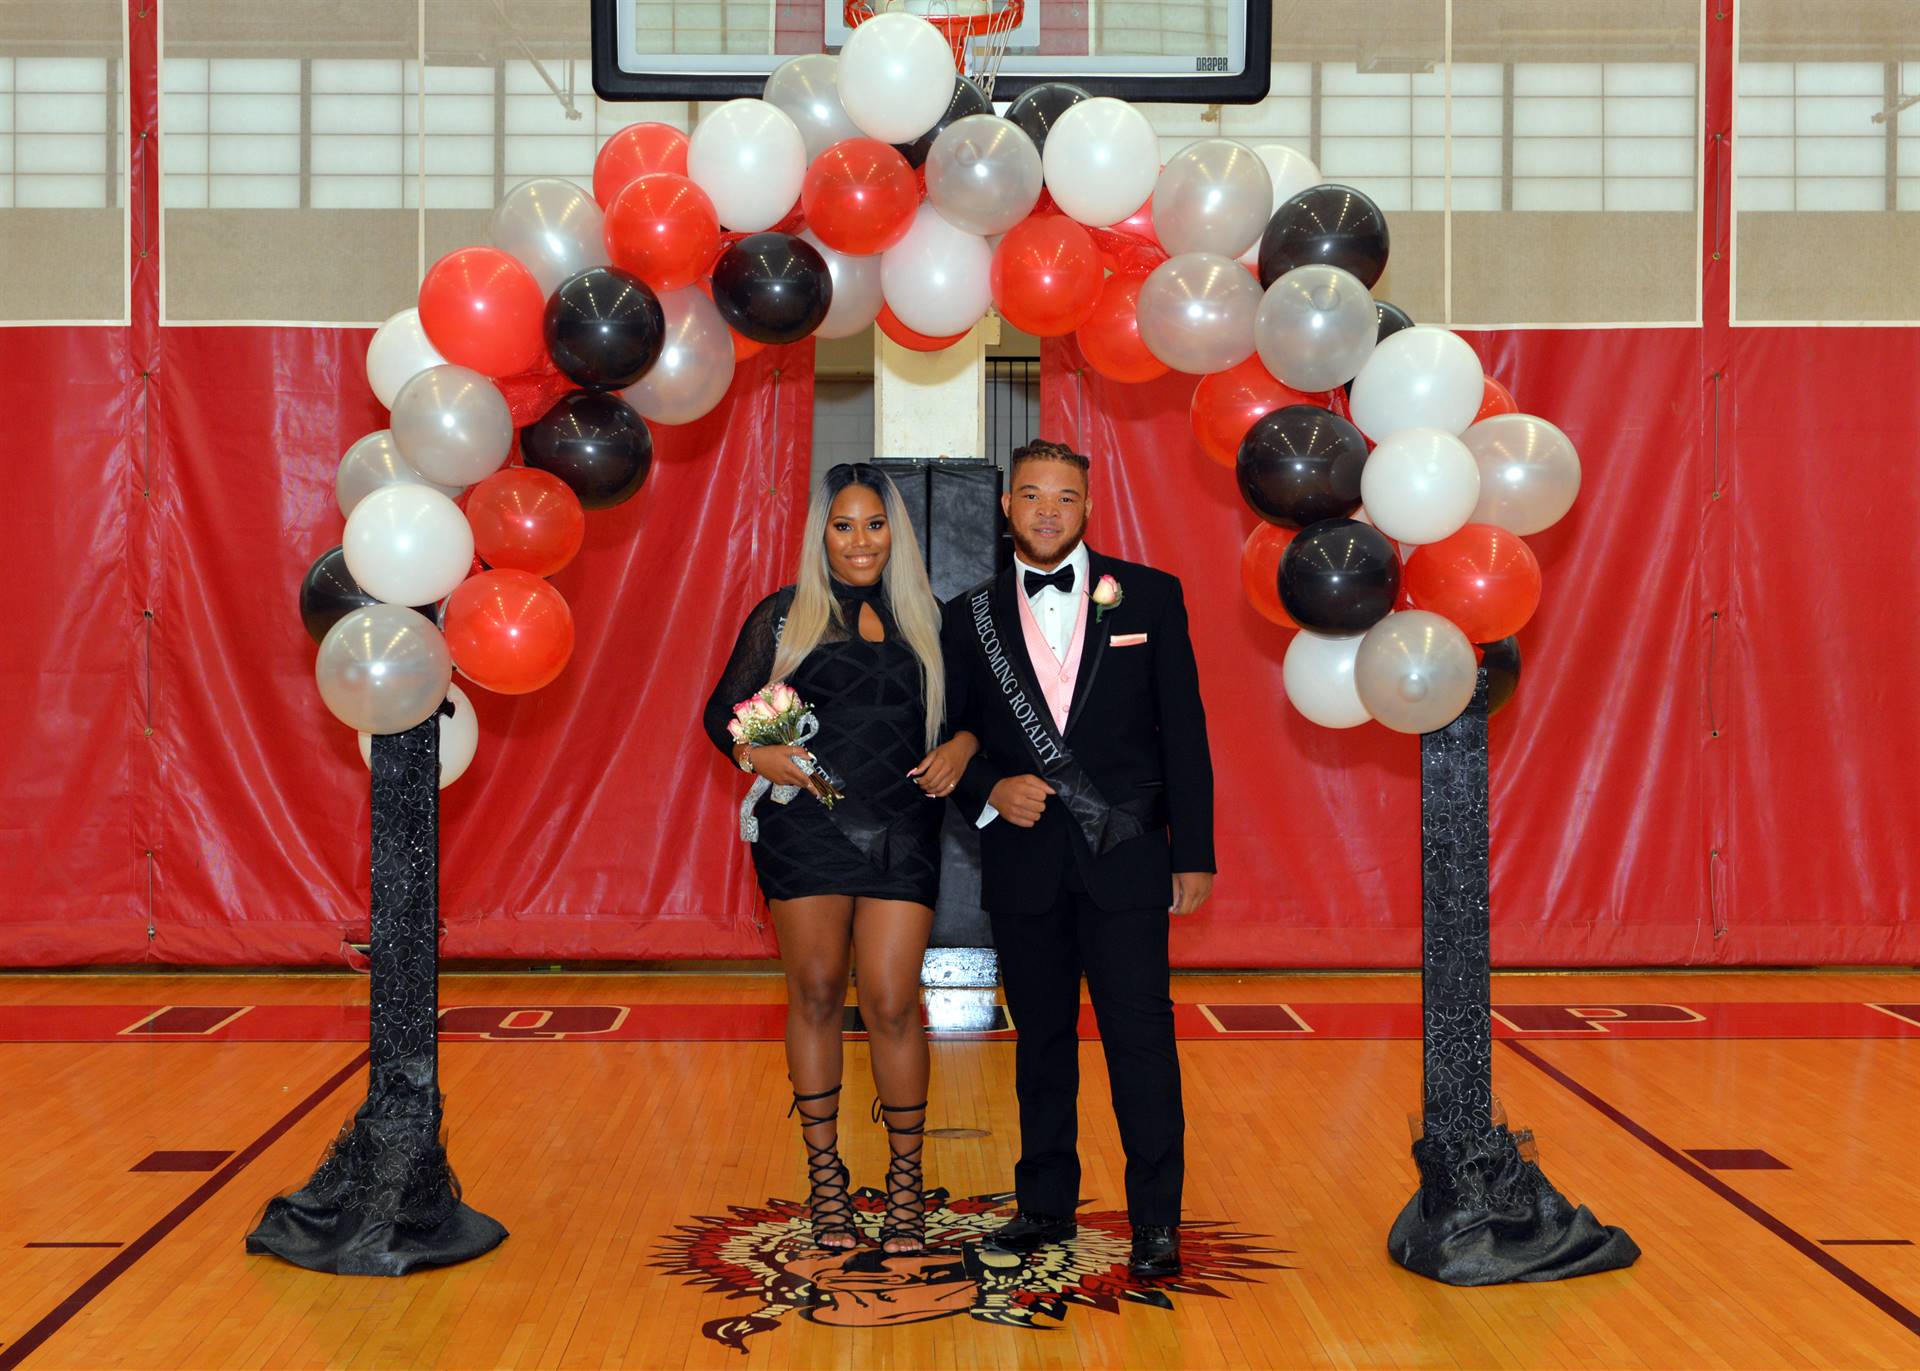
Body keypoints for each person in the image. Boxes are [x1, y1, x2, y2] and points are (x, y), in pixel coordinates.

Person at [940, 438, 1214, 1279]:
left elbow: (1185, 733)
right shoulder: (967, 616)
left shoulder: (1153, 597)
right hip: (1023, 858)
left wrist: (1194, 851)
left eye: (1064, 496)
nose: (1048, 510)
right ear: (1006, 506)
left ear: (1088, 506)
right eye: (1031, 495)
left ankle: (1157, 1221)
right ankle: (1045, 1206)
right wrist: (992, 790)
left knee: (1141, 1040)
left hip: (1127, 857)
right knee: (1042, 1044)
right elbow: (948, 742)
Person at [704, 463, 978, 1255]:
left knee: (894, 999)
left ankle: (904, 1192)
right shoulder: (786, 615)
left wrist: (962, 742)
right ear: (821, 533)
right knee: (818, 992)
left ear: (898, 533)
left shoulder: (929, 618)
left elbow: (972, 718)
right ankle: (826, 1185)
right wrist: (760, 757)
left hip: (903, 833)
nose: (860, 541)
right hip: (808, 832)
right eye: (844, 525)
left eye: (875, 524)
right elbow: (722, 711)